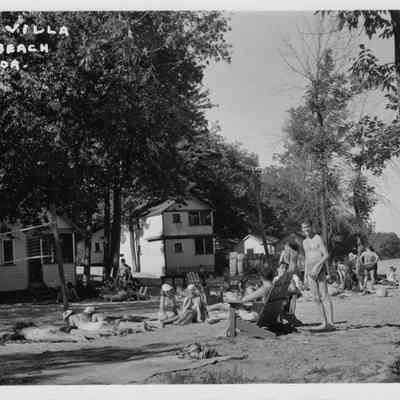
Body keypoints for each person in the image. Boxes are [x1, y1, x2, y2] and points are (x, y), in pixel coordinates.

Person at [302, 220, 335, 331]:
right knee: (315, 298)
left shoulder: (318, 238)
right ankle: (324, 322)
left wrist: (317, 265)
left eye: (307, 227)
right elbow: (306, 258)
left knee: (324, 295)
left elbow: (326, 255)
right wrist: (305, 275)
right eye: (304, 228)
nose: (306, 230)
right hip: (310, 271)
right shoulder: (304, 242)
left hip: (319, 269)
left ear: (311, 227)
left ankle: (331, 322)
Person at [279, 241, 303, 325]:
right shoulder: (296, 253)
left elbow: (283, 265)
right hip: (292, 277)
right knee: (293, 294)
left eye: (286, 246)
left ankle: (289, 314)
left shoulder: (288, 253)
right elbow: (297, 268)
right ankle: (290, 314)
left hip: (289, 276)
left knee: (291, 294)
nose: (285, 248)